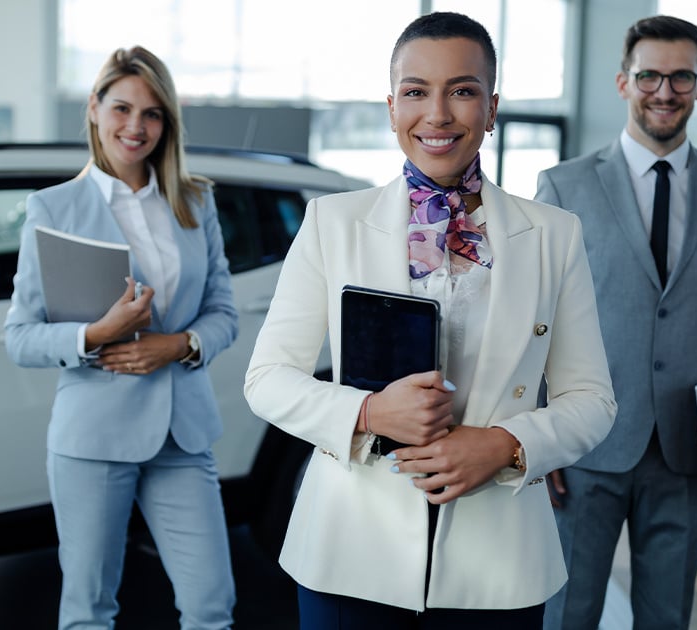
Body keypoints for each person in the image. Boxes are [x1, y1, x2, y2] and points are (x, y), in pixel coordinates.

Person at [243, 12, 616, 628]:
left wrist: (506, 446)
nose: (437, 114)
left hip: (498, 560)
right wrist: (365, 413)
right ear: (392, 108)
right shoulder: (332, 224)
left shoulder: (555, 235)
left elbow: (593, 400)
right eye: (416, 92)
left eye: (462, 91)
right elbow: (266, 378)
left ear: (491, 108)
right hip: (348, 551)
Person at [535, 15, 697, 630]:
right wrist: (534, 435)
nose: (664, 91)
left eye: (681, 77)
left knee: (667, 615)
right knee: (567, 612)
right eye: (649, 75)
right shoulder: (563, 187)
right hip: (583, 440)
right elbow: (535, 318)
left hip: (691, 444)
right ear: (623, 82)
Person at [4, 46, 238, 629]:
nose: (136, 127)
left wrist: (178, 344)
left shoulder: (194, 200)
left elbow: (224, 313)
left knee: (212, 605)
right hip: (93, 437)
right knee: (89, 611)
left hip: (182, 436)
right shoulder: (52, 208)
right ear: (94, 108)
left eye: (153, 113)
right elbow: (19, 336)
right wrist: (96, 333)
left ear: (168, 123)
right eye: (123, 108)